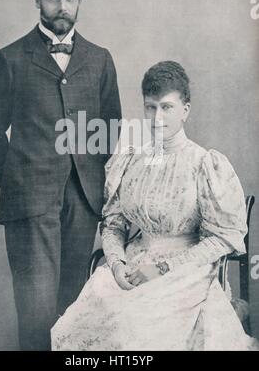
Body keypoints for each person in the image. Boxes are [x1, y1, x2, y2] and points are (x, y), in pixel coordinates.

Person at [51, 60, 259, 350]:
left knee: (135, 329)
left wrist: (162, 269)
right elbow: (113, 224)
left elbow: (221, 240)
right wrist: (116, 263)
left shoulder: (204, 164)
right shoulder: (131, 161)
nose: (157, 117)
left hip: (187, 271)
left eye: (167, 107)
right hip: (133, 265)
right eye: (150, 107)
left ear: (185, 110)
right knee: (76, 328)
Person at [0, 0, 122, 351]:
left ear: (79, 1)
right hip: (29, 205)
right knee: (38, 316)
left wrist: (96, 181)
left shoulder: (100, 59)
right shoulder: (10, 59)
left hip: (84, 201)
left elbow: (111, 128)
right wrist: (16, 179)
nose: (62, 6)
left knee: (75, 314)